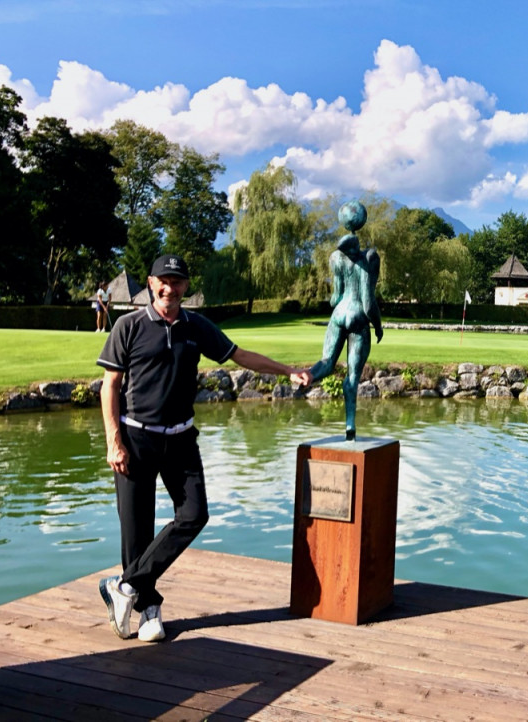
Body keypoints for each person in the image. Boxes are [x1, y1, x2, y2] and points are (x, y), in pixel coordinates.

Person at [96, 254, 312, 642]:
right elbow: (110, 386)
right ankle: (148, 609)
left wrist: (286, 370)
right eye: (164, 281)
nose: (170, 288)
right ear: (150, 283)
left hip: (181, 439)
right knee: (136, 530)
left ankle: (124, 587)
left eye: (177, 282)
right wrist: (114, 441)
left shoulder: (197, 326)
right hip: (135, 439)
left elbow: (240, 356)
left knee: (194, 514)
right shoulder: (128, 326)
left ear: (185, 286)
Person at [309, 201, 383, 440]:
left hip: (339, 315)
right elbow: (368, 302)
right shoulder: (369, 258)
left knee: (326, 363)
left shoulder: (335, 258)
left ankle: (305, 377)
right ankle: (349, 423)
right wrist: (379, 326)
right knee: (352, 376)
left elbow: (335, 298)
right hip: (358, 320)